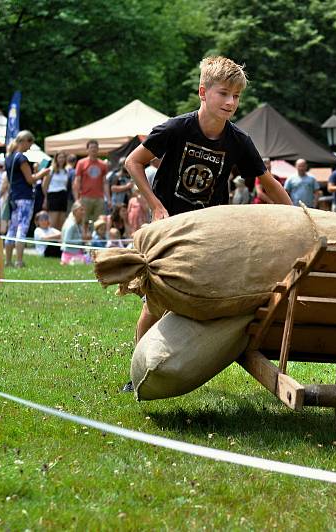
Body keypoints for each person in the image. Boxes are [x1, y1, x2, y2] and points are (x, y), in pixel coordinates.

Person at [124, 55, 292, 347]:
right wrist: (155, 205)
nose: (230, 102)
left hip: (210, 229)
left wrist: (297, 219)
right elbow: (132, 162)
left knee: (206, 296)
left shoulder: (239, 141)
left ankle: (187, 357)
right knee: (157, 301)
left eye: (236, 96)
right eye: (223, 93)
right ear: (203, 92)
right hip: (170, 224)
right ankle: (137, 370)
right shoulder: (176, 129)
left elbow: (269, 184)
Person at [5, 130, 51, 267]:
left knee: (12, 229)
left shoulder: (9, 157)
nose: (30, 146)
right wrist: (42, 173)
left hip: (13, 197)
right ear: (23, 141)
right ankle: (19, 261)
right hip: (24, 197)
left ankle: (7, 261)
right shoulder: (22, 158)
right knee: (22, 228)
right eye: (29, 142)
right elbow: (30, 179)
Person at [73, 139, 108, 226]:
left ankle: (95, 239)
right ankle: (84, 239)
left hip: (99, 198)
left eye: (95, 147)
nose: (93, 149)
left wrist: (108, 199)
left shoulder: (103, 164)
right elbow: (77, 181)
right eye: (91, 147)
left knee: (99, 223)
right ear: (87, 149)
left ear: (98, 149)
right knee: (83, 221)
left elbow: (105, 182)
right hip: (85, 197)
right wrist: (76, 199)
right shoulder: (81, 163)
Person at [42, 152, 71, 229]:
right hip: (53, 195)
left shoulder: (66, 171)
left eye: (63, 157)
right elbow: (45, 185)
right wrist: (45, 198)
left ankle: (59, 239)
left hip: (63, 195)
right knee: (53, 221)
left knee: (62, 221)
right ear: (56, 159)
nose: (61, 159)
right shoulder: (51, 170)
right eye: (60, 157)